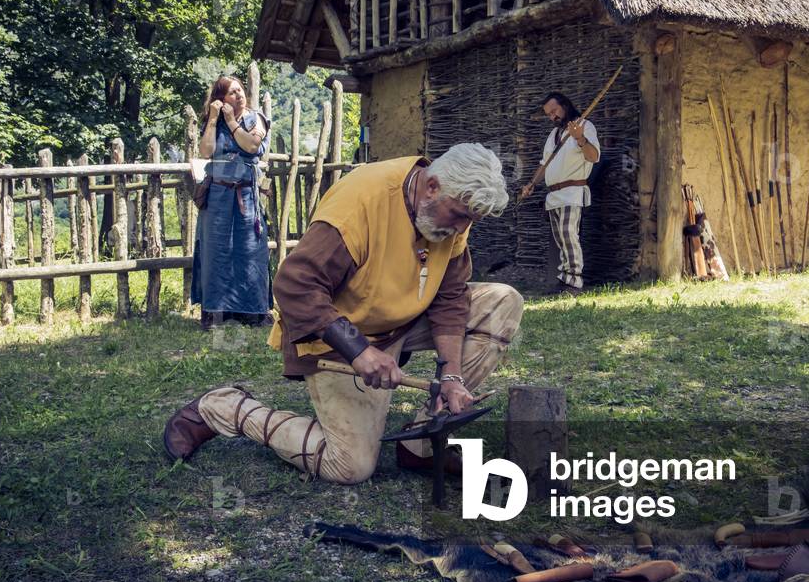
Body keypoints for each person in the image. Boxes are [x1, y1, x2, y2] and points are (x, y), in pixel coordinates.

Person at [164, 143, 525, 484]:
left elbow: (449, 296)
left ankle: (422, 443)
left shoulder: (451, 208)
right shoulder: (361, 202)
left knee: (502, 302)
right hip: (339, 337)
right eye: (460, 216)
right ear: (432, 186)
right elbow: (295, 285)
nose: (462, 228)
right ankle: (225, 408)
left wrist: (453, 375)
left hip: (401, 322)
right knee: (350, 465)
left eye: (470, 220)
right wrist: (360, 350)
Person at [191, 75, 272, 330]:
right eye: (231, 93)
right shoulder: (214, 122)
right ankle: (216, 310)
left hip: (245, 195)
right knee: (216, 252)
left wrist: (231, 121)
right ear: (221, 99)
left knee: (250, 251)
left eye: (240, 90)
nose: (239, 95)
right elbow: (205, 152)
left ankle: (253, 311)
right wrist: (215, 119)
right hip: (217, 196)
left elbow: (252, 145)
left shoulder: (254, 118)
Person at [519, 91, 601, 294]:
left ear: (565, 105)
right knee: (561, 240)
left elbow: (594, 157)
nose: (552, 117)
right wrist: (532, 183)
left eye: (554, 111)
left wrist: (580, 138)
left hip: (572, 191)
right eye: (548, 114)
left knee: (568, 235)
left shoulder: (584, 126)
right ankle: (565, 279)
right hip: (554, 195)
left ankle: (574, 281)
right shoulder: (553, 135)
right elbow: (544, 165)